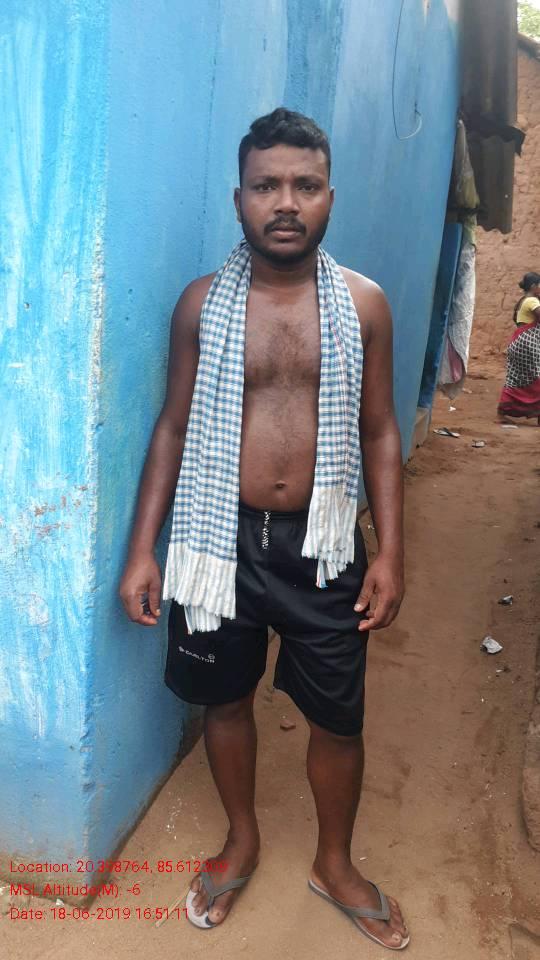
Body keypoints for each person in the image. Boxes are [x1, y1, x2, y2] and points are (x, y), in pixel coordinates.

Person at [119, 108, 409, 951]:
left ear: (330, 197)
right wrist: (142, 550)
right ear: (239, 197)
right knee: (225, 700)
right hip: (220, 543)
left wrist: (391, 552)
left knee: (338, 719)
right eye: (266, 185)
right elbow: (173, 427)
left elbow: (380, 431)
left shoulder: (364, 306)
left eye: (305, 185)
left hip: (324, 547)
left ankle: (334, 862)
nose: (286, 202)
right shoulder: (202, 305)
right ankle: (241, 839)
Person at [498, 272, 540, 424]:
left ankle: (504, 409)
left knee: (517, 378)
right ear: (534, 286)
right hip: (528, 345)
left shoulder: (523, 301)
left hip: (519, 343)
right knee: (535, 377)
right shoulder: (532, 301)